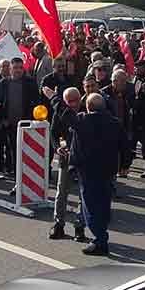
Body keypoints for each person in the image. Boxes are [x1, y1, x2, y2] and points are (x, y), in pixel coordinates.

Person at [70, 92, 129, 256]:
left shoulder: (83, 120)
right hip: (108, 170)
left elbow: (65, 115)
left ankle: (100, 240)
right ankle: (102, 235)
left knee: (90, 206)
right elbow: (125, 146)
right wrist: (125, 165)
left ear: (88, 107)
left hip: (88, 171)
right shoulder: (115, 123)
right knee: (104, 204)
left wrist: (54, 97)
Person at [49, 87, 87, 242]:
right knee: (62, 191)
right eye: (69, 102)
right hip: (66, 157)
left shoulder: (86, 111)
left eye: (75, 100)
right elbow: (53, 133)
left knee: (82, 195)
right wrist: (57, 147)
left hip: (83, 159)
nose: (72, 104)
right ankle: (58, 224)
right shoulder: (60, 113)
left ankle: (80, 227)